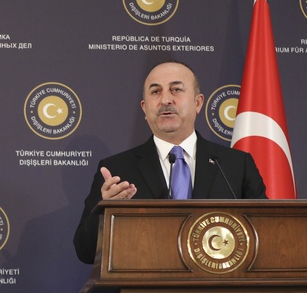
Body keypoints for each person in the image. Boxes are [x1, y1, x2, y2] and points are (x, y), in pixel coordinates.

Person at [72, 60, 267, 264]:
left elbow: (265, 235)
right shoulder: (117, 171)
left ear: (198, 103)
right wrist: (105, 212)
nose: (166, 99)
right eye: (155, 92)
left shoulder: (235, 165)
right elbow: (85, 251)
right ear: (144, 108)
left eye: (176, 90)